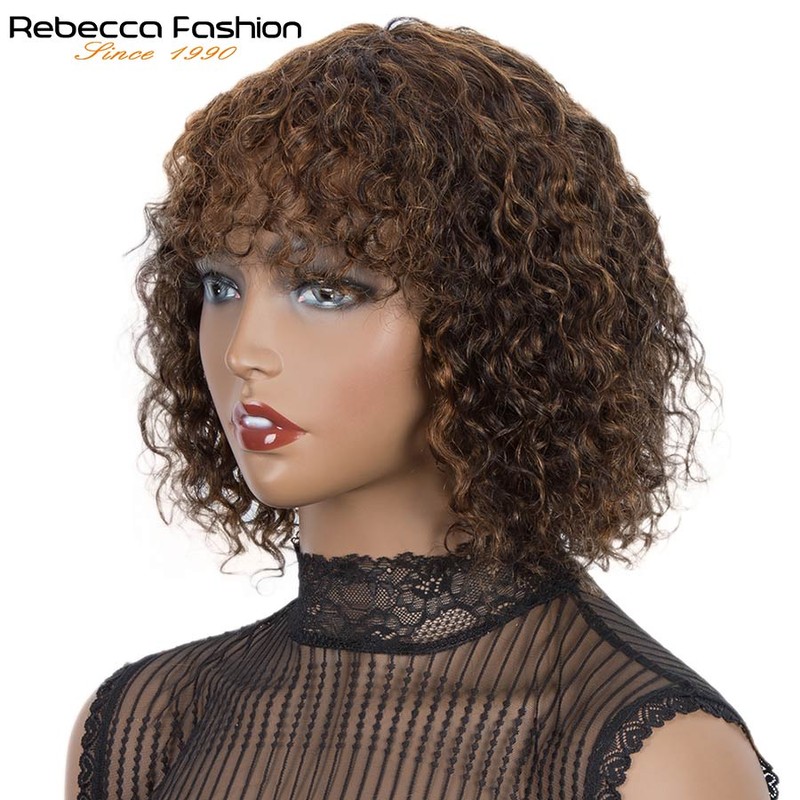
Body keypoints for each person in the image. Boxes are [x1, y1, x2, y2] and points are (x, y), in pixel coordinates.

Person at [65, 19, 779, 800]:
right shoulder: (147, 724)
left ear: (497, 321)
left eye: (326, 291)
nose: (242, 351)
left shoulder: (648, 758)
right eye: (221, 286)